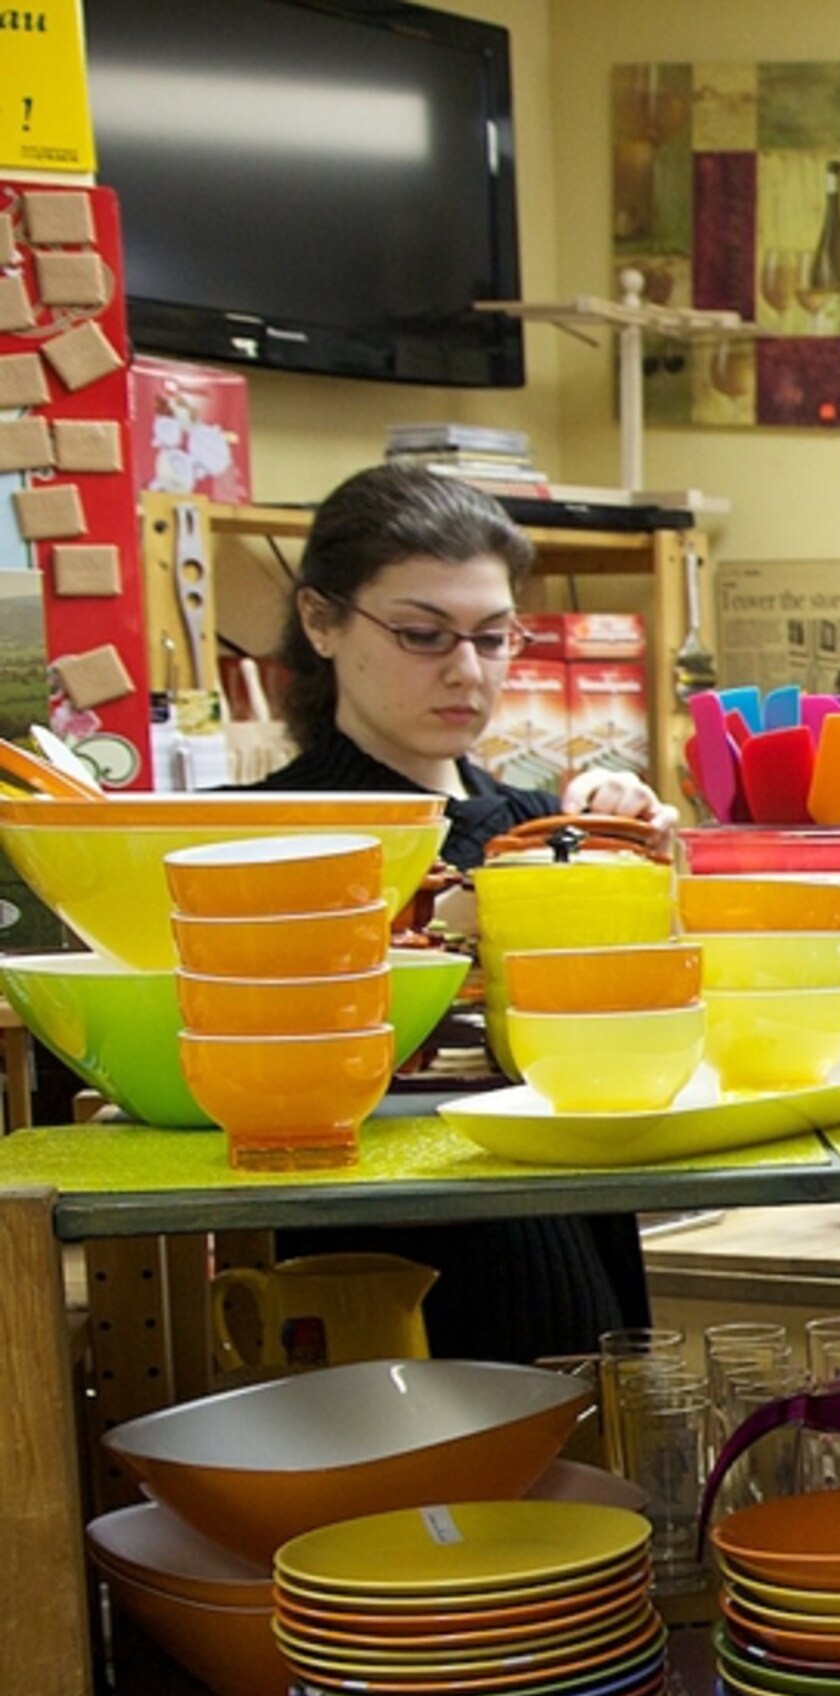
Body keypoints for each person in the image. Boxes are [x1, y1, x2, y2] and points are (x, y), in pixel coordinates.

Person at [257, 462, 674, 1366]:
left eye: (493, 638)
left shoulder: (537, 829)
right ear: (321, 622)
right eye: (421, 635)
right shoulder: (259, 833)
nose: (467, 672)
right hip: (362, 1276)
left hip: (568, 1264)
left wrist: (625, 865)